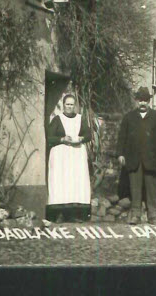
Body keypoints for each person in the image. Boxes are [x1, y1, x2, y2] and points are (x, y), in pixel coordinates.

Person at [117, 86, 156, 225]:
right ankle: (135, 214)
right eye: (140, 100)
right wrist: (120, 154)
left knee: (151, 187)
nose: (143, 103)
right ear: (136, 101)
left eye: (145, 100)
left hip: (152, 159)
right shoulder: (129, 117)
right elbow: (122, 137)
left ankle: (153, 215)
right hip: (133, 158)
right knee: (135, 187)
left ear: (149, 101)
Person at [46, 93, 92, 222]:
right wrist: (62, 138)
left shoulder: (80, 118)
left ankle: (73, 215)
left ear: (75, 106)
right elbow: (49, 137)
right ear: (63, 105)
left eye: (72, 104)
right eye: (67, 104)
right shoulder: (57, 119)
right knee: (61, 183)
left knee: (74, 183)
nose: (69, 107)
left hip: (76, 156)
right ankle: (59, 214)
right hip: (61, 157)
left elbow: (88, 134)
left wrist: (81, 138)